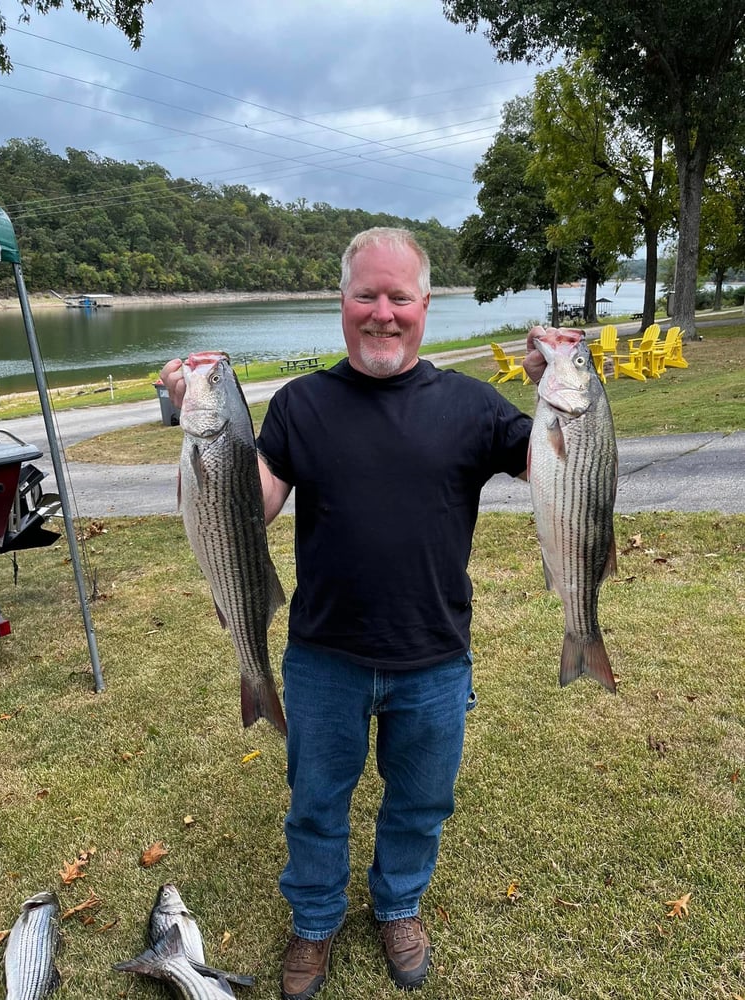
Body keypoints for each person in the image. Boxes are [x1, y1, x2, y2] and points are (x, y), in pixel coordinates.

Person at [161, 227, 546, 1000]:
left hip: (434, 655)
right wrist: (193, 414)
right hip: (322, 657)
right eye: (365, 295)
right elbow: (254, 506)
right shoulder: (303, 404)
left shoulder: (470, 405)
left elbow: (556, 465)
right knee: (315, 804)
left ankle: (398, 903)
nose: (382, 313)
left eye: (398, 297)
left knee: (421, 799)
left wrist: (555, 380)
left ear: (424, 305)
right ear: (342, 302)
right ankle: (314, 921)